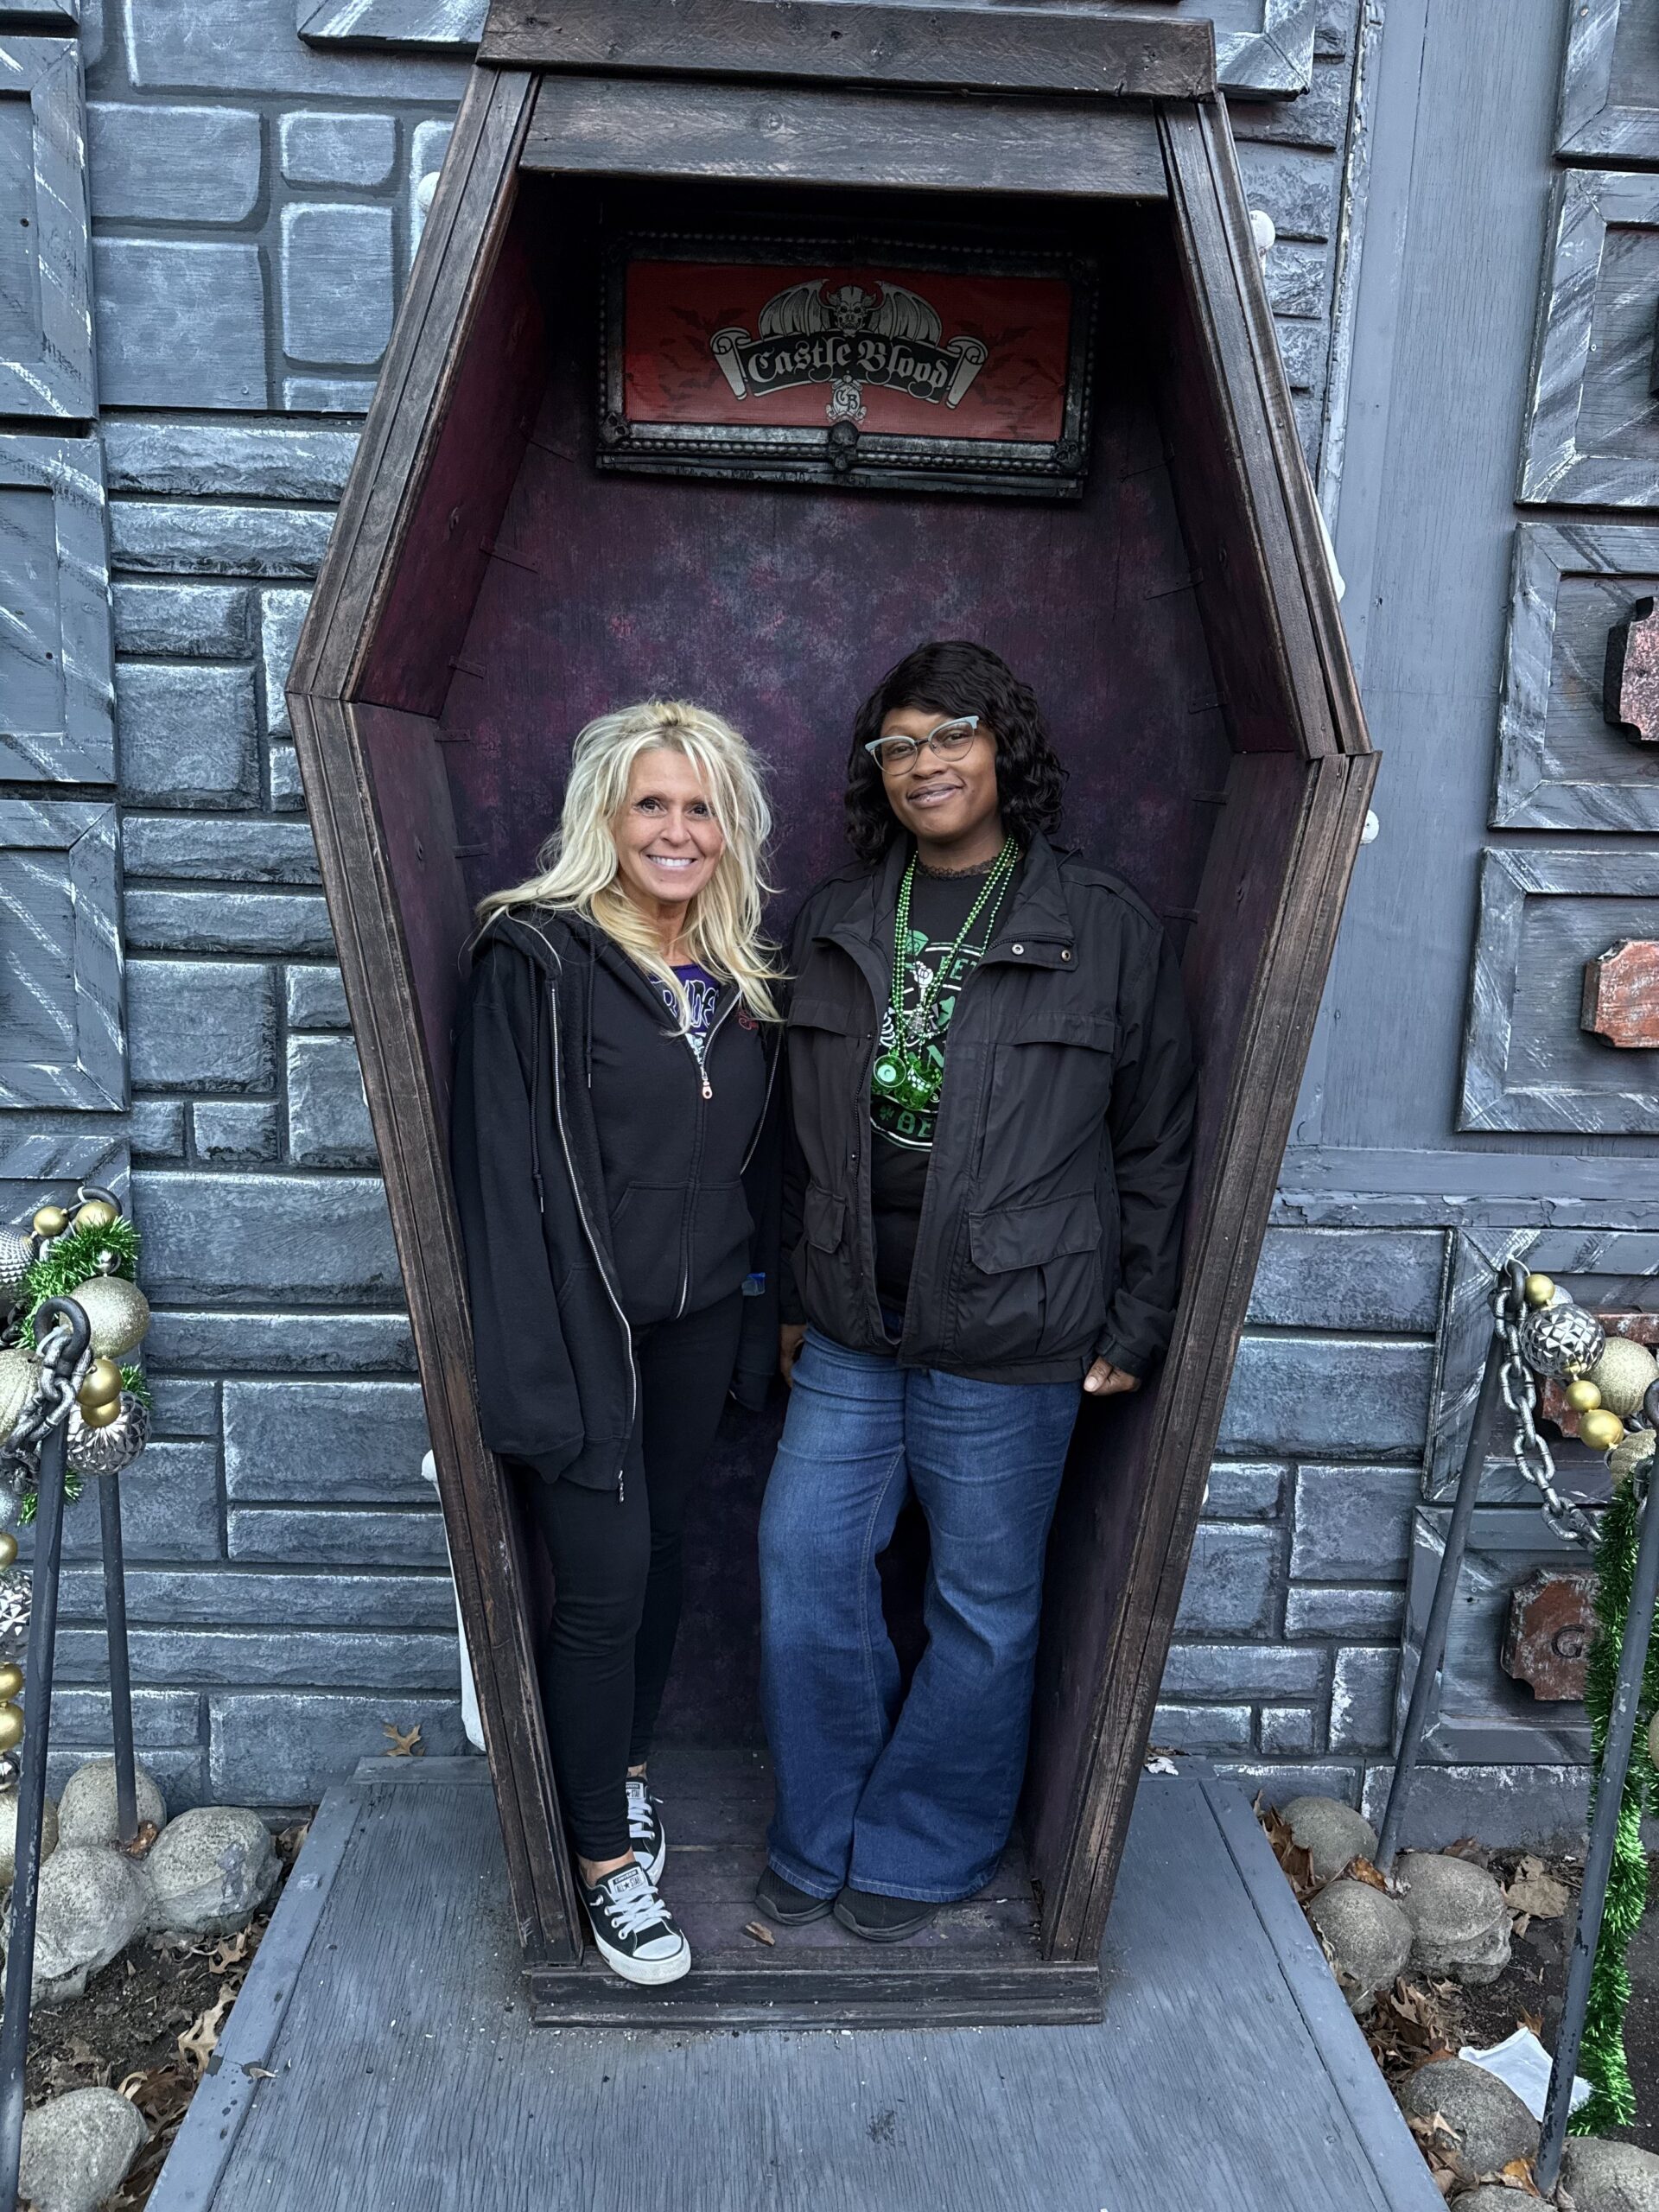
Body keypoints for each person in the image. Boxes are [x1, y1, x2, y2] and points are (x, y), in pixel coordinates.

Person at [757, 640, 1196, 1941]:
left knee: (982, 1609)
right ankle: (823, 1827)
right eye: (898, 745)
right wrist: (791, 1295)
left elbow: (1157, 1143)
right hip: (851, 1321)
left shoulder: (1101, 925)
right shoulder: (835, 918)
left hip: (1018, 1327)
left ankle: (922, 1848)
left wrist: (1140, 1315)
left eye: (952, 736)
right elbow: (787, 1138)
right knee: (804, 1561)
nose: (925, 765)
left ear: (1004, 751)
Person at [452, 701, 782, 1986]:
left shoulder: (742, 978)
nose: (677, 830)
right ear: (606, 813)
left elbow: (754, 1169)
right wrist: (530, 1378)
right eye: (653, 803)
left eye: (702, 808)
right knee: (599, 1586)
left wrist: (754, 1318)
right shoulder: (534, 959)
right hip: (581, 1333)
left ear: (730, 829)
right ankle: (601, 1863)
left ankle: (624, 1773)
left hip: (697, 1327)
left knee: (661, 1559)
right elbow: (499, 1186)